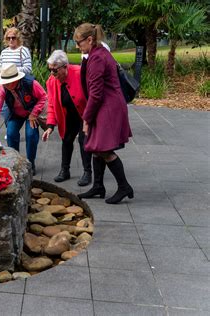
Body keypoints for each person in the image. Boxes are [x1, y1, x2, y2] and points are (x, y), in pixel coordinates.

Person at [73, 23, 134, 204]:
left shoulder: (97, 58)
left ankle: (124, 187)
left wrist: (86, 118)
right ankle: (98, 186)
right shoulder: (98, 53)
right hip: (108, 105)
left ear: (89, 39)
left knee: (104, 149)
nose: (77, 46)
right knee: (95, 147)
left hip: (108, 108)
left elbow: (96, 94)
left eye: (79, 42)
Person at [42, 50, 92, 186]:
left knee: (84, 140)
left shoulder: (80, 73)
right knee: (67, 139)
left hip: (85, 113)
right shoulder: (52, 81)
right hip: (69, 114)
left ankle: (88, 172)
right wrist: (50, 126)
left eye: (55, 70)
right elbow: (51, 104)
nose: (52, 73)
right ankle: (65, 170)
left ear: (65, 67)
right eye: (50, 70)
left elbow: (93, 95)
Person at [0, 63, 46, 175]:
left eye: (8, 83)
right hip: (14, 113)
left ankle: (30, 162)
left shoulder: (31, 83)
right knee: (11, 133)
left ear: (16, 79)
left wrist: (34, 113)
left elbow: (44, 97)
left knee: (31, 134)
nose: (5, 85)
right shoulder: (3, 88)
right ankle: (15, 161)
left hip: (31, 113)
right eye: (4, 83)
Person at [0, 27, 33, 136]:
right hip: (6, 86)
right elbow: (0, 68)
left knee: (23, 109)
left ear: (18, 38)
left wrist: (12, 71)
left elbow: (28, 68)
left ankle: (21, 130)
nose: (11, 40)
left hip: (20, 87)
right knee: (6, 110)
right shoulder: (4, 52)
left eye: (13, 37)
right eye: (8, 38)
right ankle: (11, 131)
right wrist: (2, 72)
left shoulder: (23, 51)